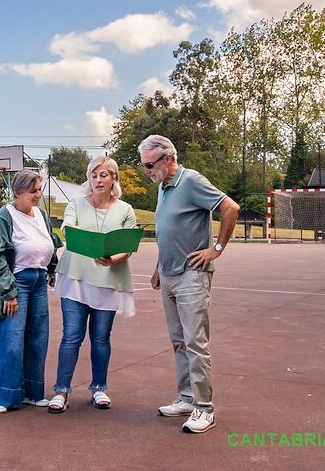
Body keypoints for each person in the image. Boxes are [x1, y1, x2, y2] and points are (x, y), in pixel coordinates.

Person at [139, 134, 240, 434]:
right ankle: (186, 398)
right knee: (179, 341)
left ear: (167, 158)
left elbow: (230, 208)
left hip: (191, 275)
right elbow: (169, 230)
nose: (147, 171)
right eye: (144, 165)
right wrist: (158, 266)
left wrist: (216, 249)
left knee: (196, 343)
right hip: (169, 274)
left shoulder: (192, 180)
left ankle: (204, 408)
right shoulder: (163, 187)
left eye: (149, 165)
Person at [47, 156, 137, 414]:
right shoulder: (75, 204)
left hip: (108, 281)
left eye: (104, 175)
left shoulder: (125, 210)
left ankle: (99, 388)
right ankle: (61, 390)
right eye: (94, 175)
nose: (98, 180)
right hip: (75, 279)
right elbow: (69, 230)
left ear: (114, 179)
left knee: (100, 339)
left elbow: (129, 245)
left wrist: (113, 258)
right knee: (71, 336)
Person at [0, 170, 62, 413]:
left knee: (38, 338)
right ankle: (4, 397)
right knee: (12, 339)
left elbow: (50, 245)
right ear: (18, 192)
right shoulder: (5, 216)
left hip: (37, 282)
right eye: (33, 191)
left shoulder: (42, 215)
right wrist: (8, 292)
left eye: (39, 190)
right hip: (16, 282)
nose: (38, 195)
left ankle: (33, 392)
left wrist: (51, 269)